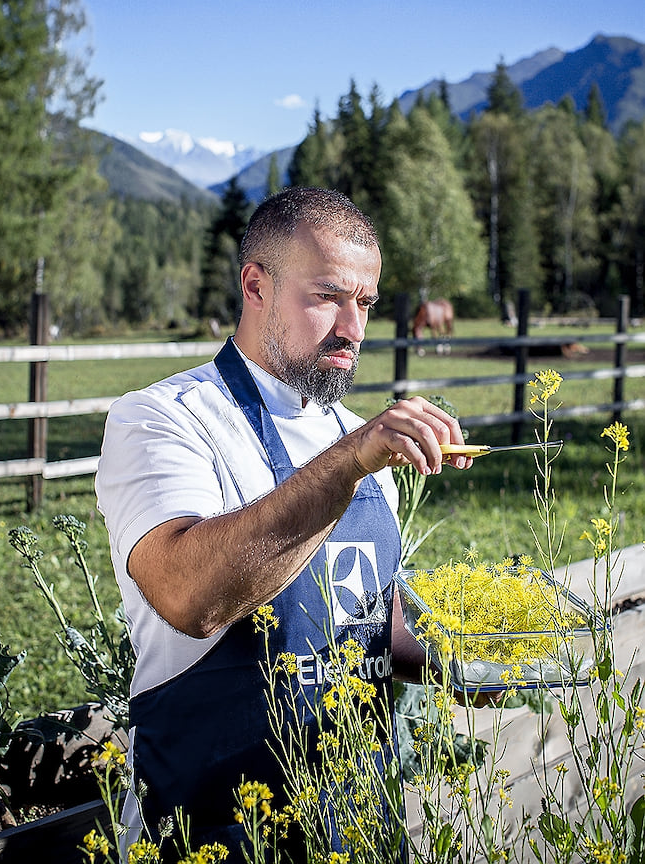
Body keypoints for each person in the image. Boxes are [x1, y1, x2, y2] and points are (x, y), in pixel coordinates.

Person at [95, 187, 472, 861]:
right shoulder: (164, 419)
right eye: (327, 295)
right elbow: (191, 597)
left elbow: (364, 624)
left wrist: (467, 660)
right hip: (210, 830)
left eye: (365, 303)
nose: (354, 329)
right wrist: (347, 464)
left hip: (356, 829)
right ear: (256, 285)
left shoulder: (357, 438)